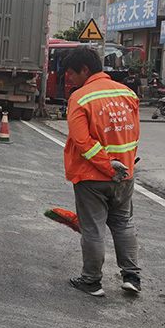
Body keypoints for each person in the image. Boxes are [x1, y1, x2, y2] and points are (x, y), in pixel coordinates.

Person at [62, 47, 141, 297]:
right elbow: (133, 133)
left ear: (85, 70)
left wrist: (107, 166)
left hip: (92, 177)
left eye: (72, 74)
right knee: (123, 224)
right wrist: (122, 166)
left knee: (93, 229)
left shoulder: (80, 98)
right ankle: (132, 277)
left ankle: (92, 281)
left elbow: (82, 142)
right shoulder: (128, 93)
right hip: (125, 175)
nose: (70, 80)